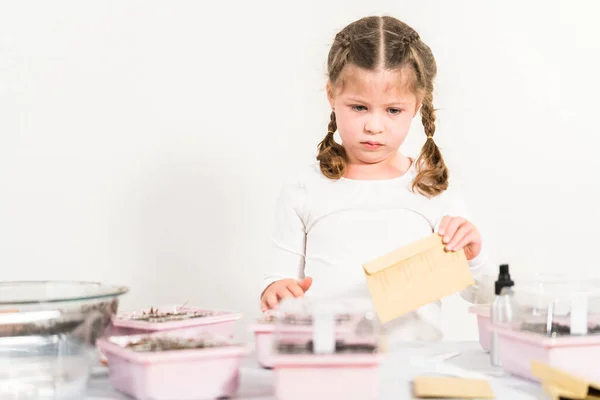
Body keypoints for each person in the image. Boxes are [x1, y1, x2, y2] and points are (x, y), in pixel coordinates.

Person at [260, 15, 490, 341]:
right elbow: (278, 283)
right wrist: (277, 292)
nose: (374, 126)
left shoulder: (433, 190)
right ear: (331, 96)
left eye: (393, 110)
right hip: (330, 361)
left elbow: (483, 298)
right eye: (359, 107)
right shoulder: (303, 189)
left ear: (417, 106)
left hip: (413, 371)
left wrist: (475, 257)